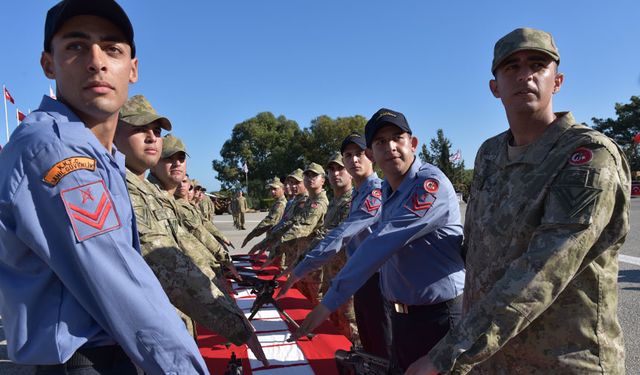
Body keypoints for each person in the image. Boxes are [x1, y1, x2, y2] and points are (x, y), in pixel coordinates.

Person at [0, 1, 209, 373]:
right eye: (76, 47)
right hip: (85, 362)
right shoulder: (55, 149)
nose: (96, 61)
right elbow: (119, 280)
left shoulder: (101, 154)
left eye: (112, 48)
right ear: (48, 63)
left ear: (132, 69)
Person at [407, 28, 630, 375]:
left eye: (538, 64)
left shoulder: (587, 155)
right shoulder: (490, 154)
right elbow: (478, 253)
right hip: (493, 360)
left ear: (557, 81)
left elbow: (543, 272)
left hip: (564, 361)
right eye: (511, 67)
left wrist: (447, 354)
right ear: (495, 87)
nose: (524, 74)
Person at [291, 108, 466, 372]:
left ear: (413, 143)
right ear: (372, 153)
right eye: (381, 141)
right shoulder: (386, 190)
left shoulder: (429, 184)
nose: (391, 147)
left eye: (398, 138)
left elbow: (381, 242)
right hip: (403, 316)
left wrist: (329, 301)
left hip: (439, 316)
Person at [114, 94, 267, 365]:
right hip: (150, 323)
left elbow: (185, 245)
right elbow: (164, 260)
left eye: (157, 131)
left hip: (174, 315)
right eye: (139, 129)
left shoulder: (148, 190)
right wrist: (234, 323)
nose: (152, 138)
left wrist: (220, 277)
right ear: (112, 131)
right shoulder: (119, 187)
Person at [278, 132, 389, 357]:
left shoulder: (375, 191)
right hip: (359, 278)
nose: (353, 160)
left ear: (370, 156)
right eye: (348, 155)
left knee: (378, 347)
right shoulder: (360, 192)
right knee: (366, 344)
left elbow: (341, 235)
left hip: (377, 281)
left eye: (359, 154)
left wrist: (299, 270)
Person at [241, 178, 288, 248]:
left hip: (277, 243)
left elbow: (269, 222)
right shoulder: (278, 203)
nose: (272, 191)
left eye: (275, 189)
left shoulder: (280, 205)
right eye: (271, 189)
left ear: (283, 189)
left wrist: (251, 235)